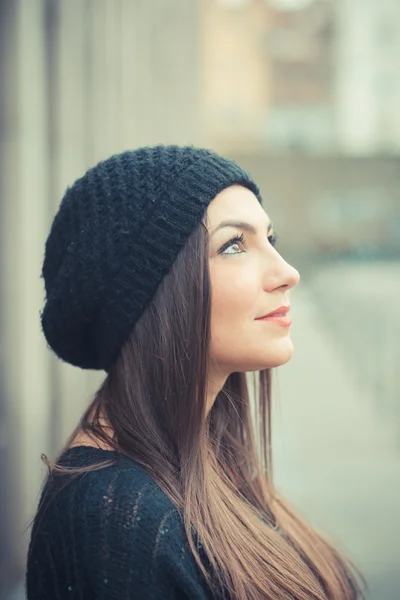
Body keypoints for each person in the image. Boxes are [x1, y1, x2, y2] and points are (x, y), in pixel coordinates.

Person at [26, 146, 366, 600]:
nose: (287, 273)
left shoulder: (204, 456)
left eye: (271, 238)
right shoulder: (110, 521)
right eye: (234, 245)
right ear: (153, 293)